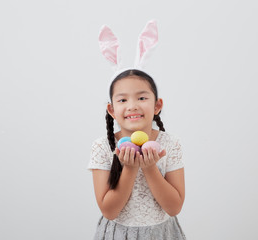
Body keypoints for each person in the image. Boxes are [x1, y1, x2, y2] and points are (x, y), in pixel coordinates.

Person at [88, 21, 186, 240]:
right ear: (112, 109)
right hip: (117, 234)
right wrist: (130, 168)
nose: (132, 105)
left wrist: (150, 167)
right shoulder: (102, 147)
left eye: (142, 97)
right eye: (123, 99)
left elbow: (174, 208)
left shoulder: (170, 144)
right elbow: (110, 211)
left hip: (162, 234)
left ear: (157, 105)